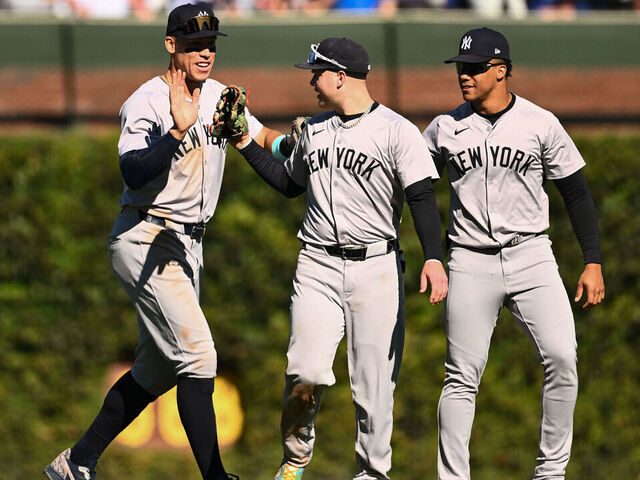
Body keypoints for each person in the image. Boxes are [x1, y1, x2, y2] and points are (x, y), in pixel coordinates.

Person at [44, 3, 285, 480]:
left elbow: (260, 137)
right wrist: (177, 128)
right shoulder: (147, 101)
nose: (205, 53)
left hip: (188, 245)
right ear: (171, 45)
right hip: (146, 235)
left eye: (211, 44)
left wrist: (296, 144)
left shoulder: (218, 94)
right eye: (194, 44)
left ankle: (76, 461)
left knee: (155, 371)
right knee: (199, 356)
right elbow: (131, 169)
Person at [227, 37, 448, 480]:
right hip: (317, 265)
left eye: (316, 72)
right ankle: (295, 458)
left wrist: (434, 257)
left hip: (377, 268)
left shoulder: (396, 130)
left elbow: (422, 196)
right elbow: (289, 184)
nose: (311, 80)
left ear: (340, 76)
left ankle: (372, 473)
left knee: (374, 387)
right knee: (304, 371)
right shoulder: (314, 129)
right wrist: (244, 142)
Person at [422, 27, 605, 480]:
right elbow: (417, 190)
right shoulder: (445, 127)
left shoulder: (541, 123)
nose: (464, 75)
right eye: (461, 67)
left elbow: (576, 195)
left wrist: (593, 259)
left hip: (532, 255)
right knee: (461, 376)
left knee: (563, 358)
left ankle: (551, 472)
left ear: (500, 70)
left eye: (475, 68)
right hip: (468, 258)